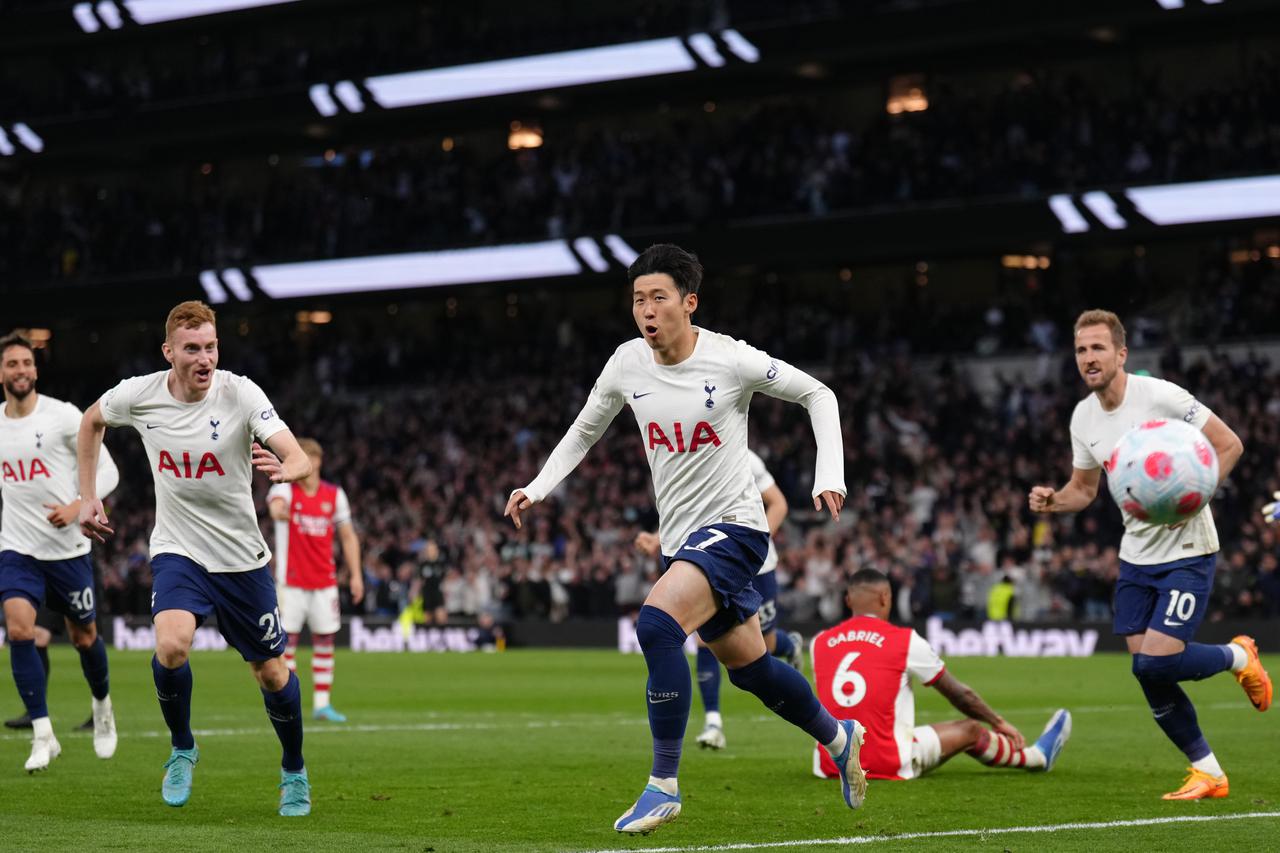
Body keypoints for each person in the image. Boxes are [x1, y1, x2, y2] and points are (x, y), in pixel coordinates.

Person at [504, 244, 866, 835]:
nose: (646, 310)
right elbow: (584, 430)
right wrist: (537, 486)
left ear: (688, 303)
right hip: (682, 539)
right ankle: (837, 733)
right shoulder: (626, 363)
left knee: (656, 625)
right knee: (751, 668)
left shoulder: (730, 359)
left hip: (737, 529)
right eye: (638, 299)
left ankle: (662, 785)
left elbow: (818, 395)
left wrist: (830, 475)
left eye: (658, 298)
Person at [76, 301, 315, 815]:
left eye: (210, 347)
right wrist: (87, 494)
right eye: (192, 349)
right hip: (178, 550)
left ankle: (293, 768)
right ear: (169, 353)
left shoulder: (240, 392)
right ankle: (182, 746)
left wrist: (290, 468)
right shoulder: (139, 395)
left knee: (272, 675)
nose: (204, 358)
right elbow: (91, 423)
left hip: (241, 558)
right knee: (172, 646)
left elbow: (293, 451)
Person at [1028, 309, 1270, 800]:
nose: (1089, 358)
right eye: (1081, 350)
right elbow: (1083, 488)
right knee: (1149, 675)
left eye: (1098, 348)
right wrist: (1054, 501)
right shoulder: (1084, 417)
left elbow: (1229, 445)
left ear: (1121, 354)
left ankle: (1239, 655)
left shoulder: (1160, 395)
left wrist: (1196, 496)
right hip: (1136, 556)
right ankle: (1209, 773)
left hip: (1187, 549)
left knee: (1156, 665)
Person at [810, 569, 1071, 781]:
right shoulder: (904, 641)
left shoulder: (819, 643)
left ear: (847, 601)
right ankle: (1037, 757)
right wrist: (998, 721)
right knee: (970, 729)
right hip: (887, 761)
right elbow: (960, 694)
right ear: (885, 598)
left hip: (830, 766)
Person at [0, 332, 120, 770]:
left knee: (84, 637)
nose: (20, 371)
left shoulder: (64, 417)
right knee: (18, 630)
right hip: (17, 549)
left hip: (68, 552)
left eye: (26, 363)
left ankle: (103, 705)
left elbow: (108, 470)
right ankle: (42, 733)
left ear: (35, 369)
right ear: (1, 373)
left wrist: (78, 505)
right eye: (12, 364)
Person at [634, 447, 804, 751]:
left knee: (763, 649)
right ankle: (713, 722)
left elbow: (778, 504)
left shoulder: (744, 458)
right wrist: (657, 538)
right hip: (713, 561)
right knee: (704, 639)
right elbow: (693, 513)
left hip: (755, 564)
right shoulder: (689, 452)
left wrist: (754, 545)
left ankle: (788, 644)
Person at [268, 437, 364, 722]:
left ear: (319, 462)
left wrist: (356, 575)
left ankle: (322, 703)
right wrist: (277, 512)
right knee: (288, 643)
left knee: (325, 640)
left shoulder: (334, 495)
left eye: (313, 458)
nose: (309, 463)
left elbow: (348, 536)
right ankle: (291, 701)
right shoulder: (285, 489)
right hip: (291, 582)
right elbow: (274, 504)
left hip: (325, 581)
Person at [4, 608, 95, 733]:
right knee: (38, 635)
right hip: (47, 589)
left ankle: (101, 711)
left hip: (78, 588)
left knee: (86, 639)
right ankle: (34, 713)